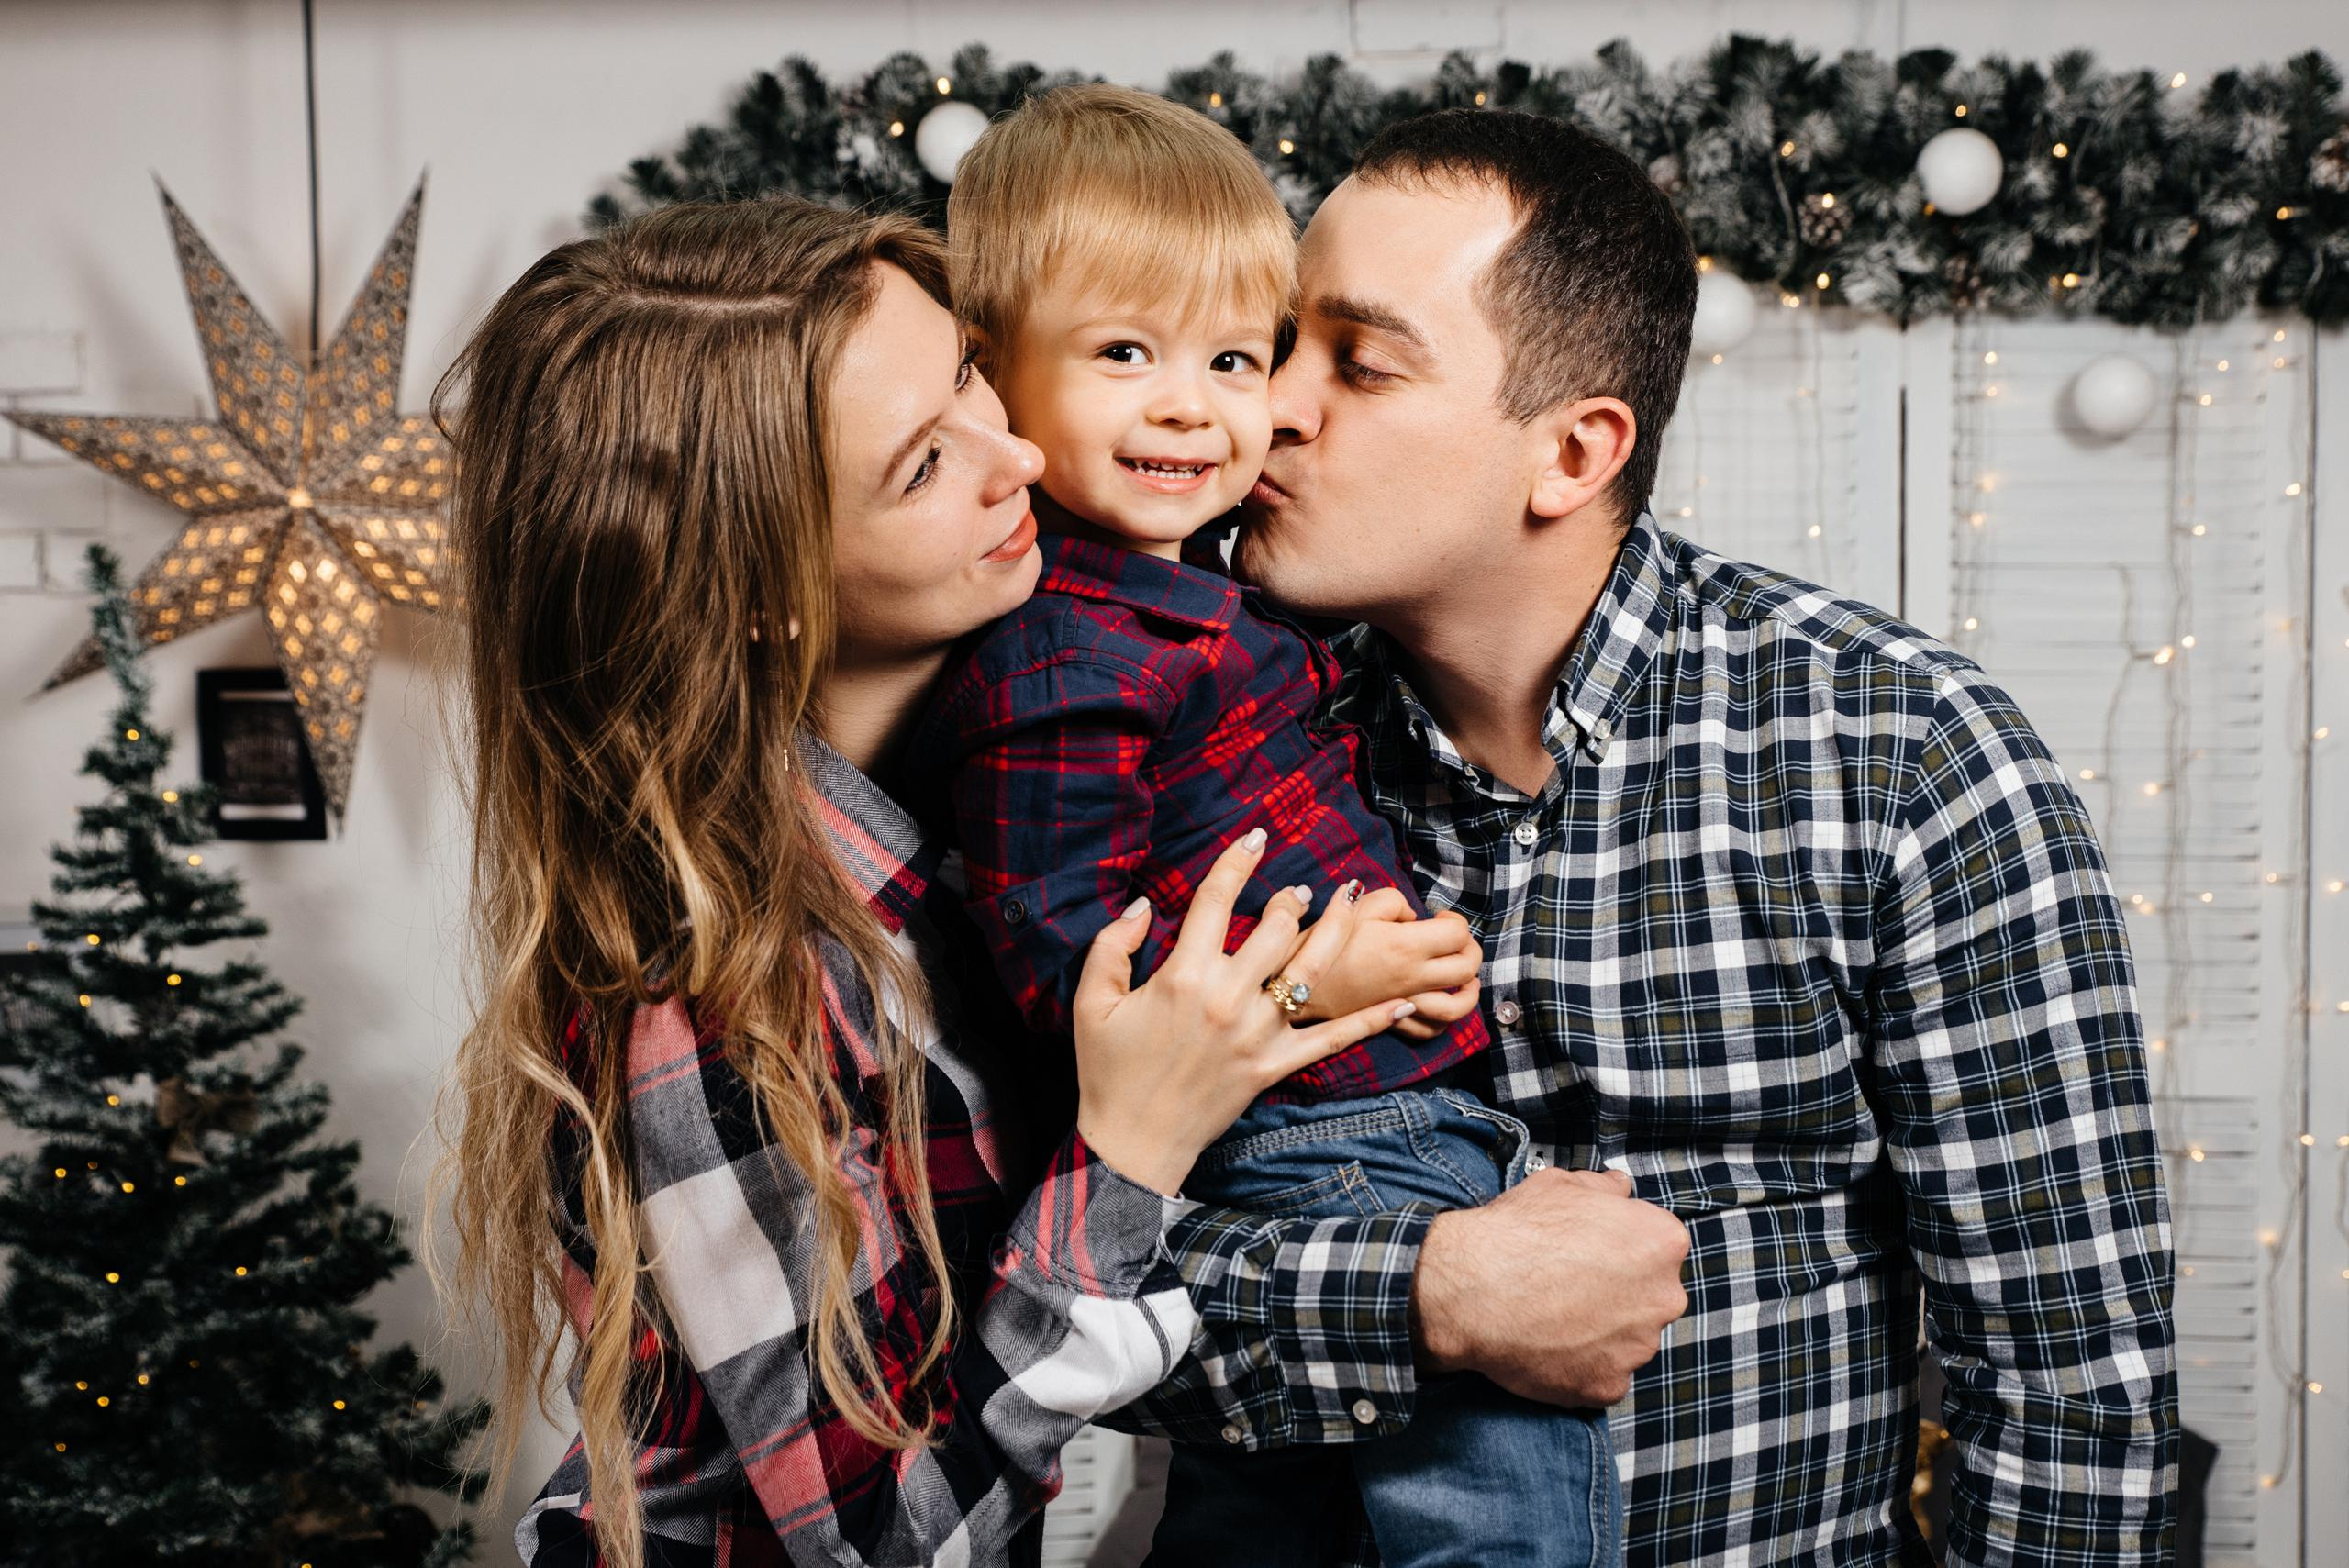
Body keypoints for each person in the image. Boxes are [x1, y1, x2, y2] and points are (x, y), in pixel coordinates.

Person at [1117, 106, 2180, 1566]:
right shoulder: (1172, 741)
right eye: (1277, 344)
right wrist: (1430, 1291)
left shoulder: (1903, 757)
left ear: (1572, 450)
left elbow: (2070, 1405)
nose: (1270, 405)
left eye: (1358, 362)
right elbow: (1056, 1308)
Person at [427, 197, 1428, 1568]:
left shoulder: (998, 784)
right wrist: (1127, 1151)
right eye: (921, 466)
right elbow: (880, 1543)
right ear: (765, 587)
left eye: (969, 371)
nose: (1017, 452)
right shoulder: (704, 998)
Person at [916, 84, 1616, 1568]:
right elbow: (1066, 973)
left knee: (1278, 1512)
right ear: (989, 382)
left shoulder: (1230, 590)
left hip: (1376, 1118)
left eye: (1248, 355)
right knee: (1503, 1506)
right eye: (1126, 354)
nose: (1226, 406)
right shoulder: (1060, 651)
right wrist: (1317, 985)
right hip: (1321, 1127)